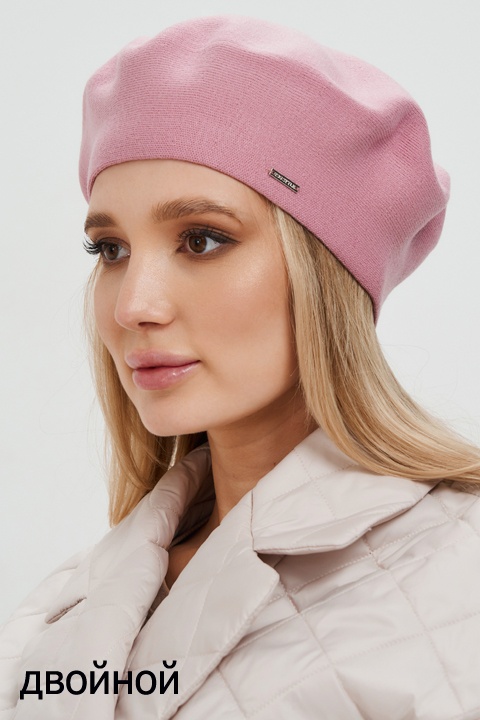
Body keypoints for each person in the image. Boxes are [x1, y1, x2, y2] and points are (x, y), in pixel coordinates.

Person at [1, 14, 480, 720]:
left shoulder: (459, 576)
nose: (134, 305)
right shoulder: (62, 606)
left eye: (201, 239)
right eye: (111, 250)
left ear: (325, 272)